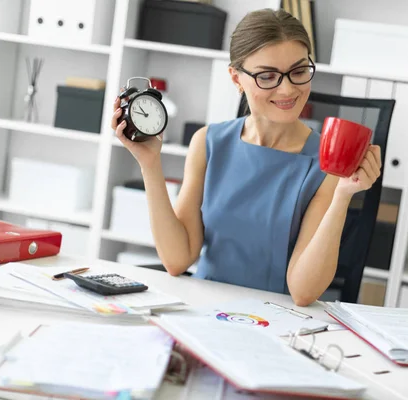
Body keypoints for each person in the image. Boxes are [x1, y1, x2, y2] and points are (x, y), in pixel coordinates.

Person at [111, 8, 382, 306]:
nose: (288, 88)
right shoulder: (208, 142)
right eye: (267, 76)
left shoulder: (324, 164)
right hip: (204, 309)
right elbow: (177, 260)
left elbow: (303, 292)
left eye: (299, 71)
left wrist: (343, 196)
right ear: (236, 78)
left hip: (274, 320)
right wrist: (150, 164)